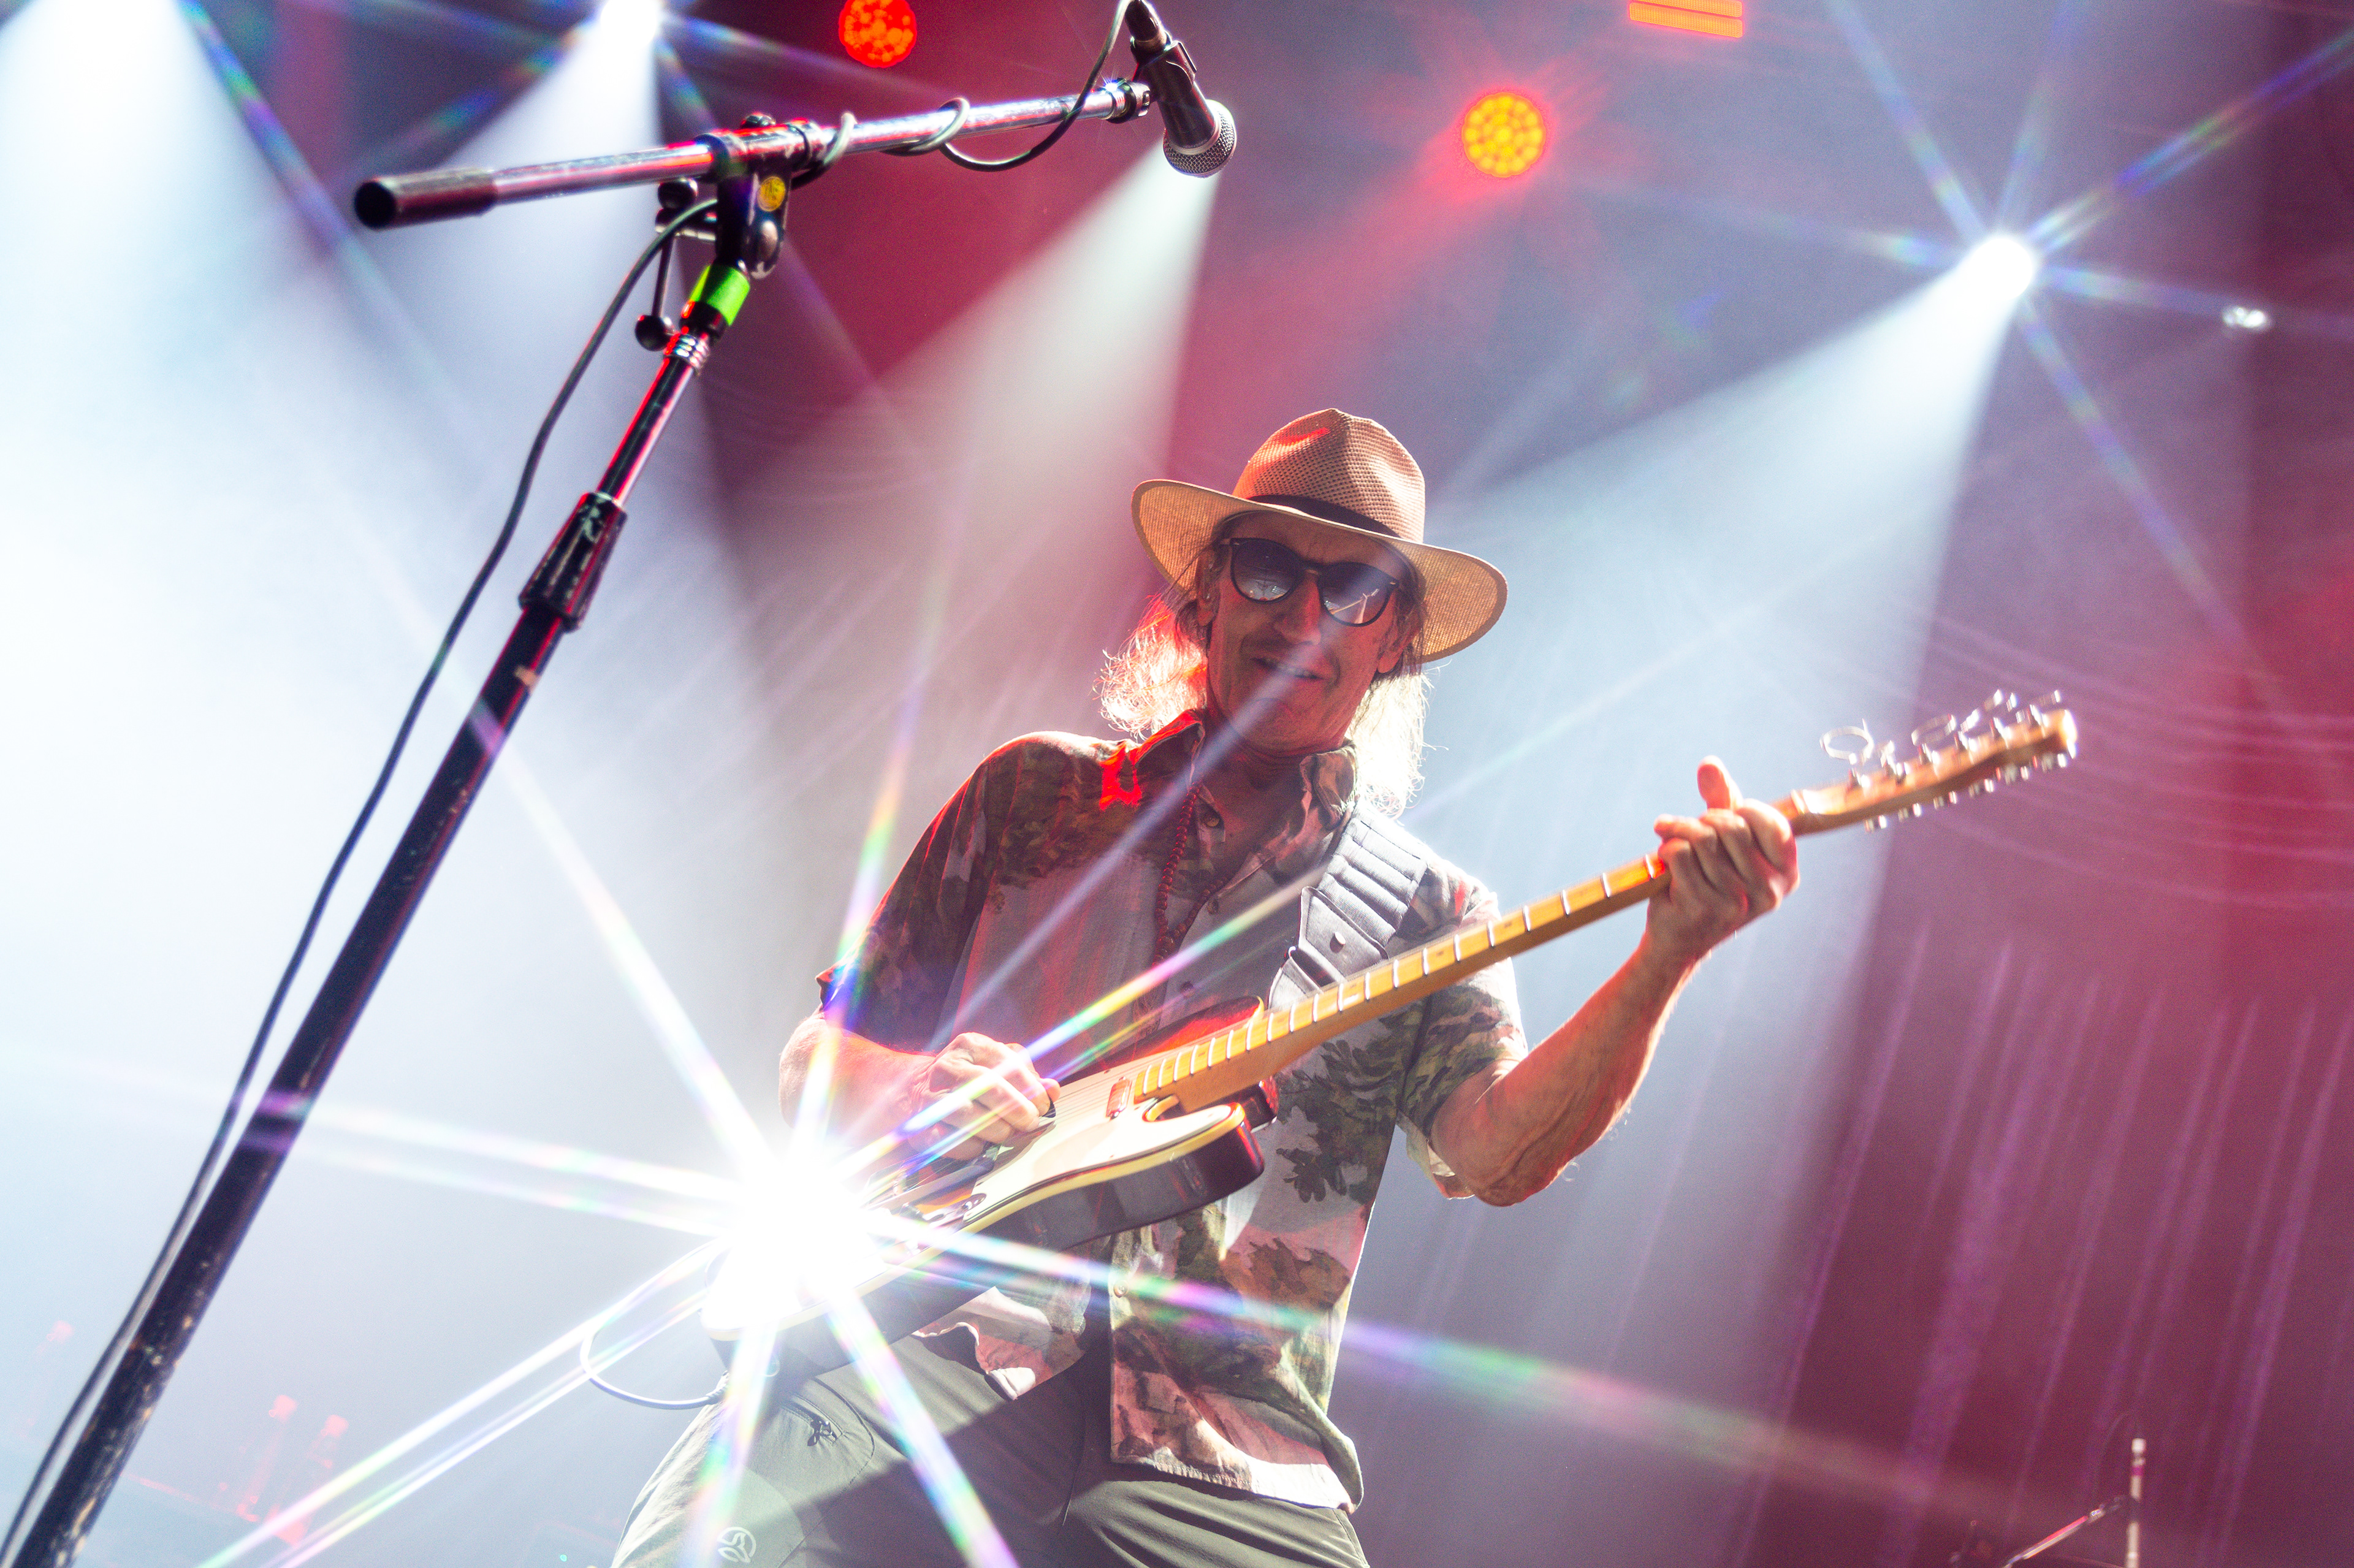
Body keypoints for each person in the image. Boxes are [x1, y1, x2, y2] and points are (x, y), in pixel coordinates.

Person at [613, 411, 1799, 1568]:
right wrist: (916, 1083)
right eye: (1272, 566)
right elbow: (814, 1062)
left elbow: (1499, 1156)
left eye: (1358, 589)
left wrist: (1665, 957)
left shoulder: (1429, 912)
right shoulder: (1031, 796)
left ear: (1397, 642)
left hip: (1234, 1451)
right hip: (933, 1342)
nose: (1304, 615)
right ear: (1207, 592)